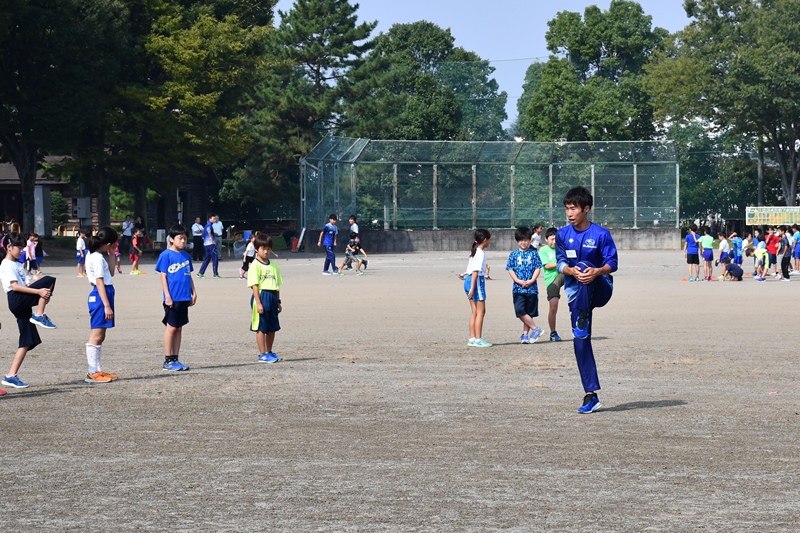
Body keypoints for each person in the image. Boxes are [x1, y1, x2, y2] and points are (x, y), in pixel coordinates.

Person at [556, 186, 618, 414]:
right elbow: (560, 262)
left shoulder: (601, 234)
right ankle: (590, 395)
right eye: (567, 209)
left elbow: (613, 263)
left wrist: (596, 271)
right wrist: (570, 272)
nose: (569, 213)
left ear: (586, 209)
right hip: (576, 292)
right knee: (580, 341)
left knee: (584, 266)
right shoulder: (562, 235)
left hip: (601, 287)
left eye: (573, 209)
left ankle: (581, 319)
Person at [0, 232, 58, 389]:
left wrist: (42, 294)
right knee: (49, 280)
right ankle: (39, 315)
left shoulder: (18, 265)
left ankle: (10, 376)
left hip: (22, 298)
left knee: (27, 340)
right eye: (19, 248)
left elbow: (25, 286)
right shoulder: (6, 264)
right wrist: (39, 293)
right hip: (16, 299)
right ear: (9, 247)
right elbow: (15, 287)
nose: (21, 251)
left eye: (22, 248)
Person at [155, 224, 196, 371]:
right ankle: (168, 360)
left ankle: (176, 358)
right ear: (171, 239)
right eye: (180, 238)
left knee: (179, 328)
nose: (183, 241)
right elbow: (163, 276)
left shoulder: (185, 255)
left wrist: (194, 291)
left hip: (184, 296)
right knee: (171, 328)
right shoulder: (166, 255)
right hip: (173, 297)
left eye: (185, 238)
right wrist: (167, 296)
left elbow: (188, 274)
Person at [84, 227, 120, 383]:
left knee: (101, 335)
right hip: (101, 295)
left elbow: (110, 273)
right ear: (109, 243)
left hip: (105, 292)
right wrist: (106, 305)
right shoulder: (96, 258)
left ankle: (97, 370)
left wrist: (112, 254)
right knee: (96, 334)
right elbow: (99, 282)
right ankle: (92, 371)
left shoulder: (98, 256)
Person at [505, 226, 544, 344]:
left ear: (530, 240)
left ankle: (525, 335)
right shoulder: (513, 254)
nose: (523, 242)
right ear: (517, 241)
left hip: (532, 289)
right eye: (521, 240)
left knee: (528, 312)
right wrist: (518, 280)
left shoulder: (534, 253)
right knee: (520, 311)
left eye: (526, 239)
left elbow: (538, 268)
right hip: (518, 288)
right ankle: (536, 329)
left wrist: (532, 280)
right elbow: (510, 269)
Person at [248, 234, 283, 363]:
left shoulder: (273, 265)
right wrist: (258, 303)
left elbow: (277, 285)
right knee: (261, 327)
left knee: (272, 326)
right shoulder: (255, 265)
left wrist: (278, 301)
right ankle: (262, 354)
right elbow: (254, 285)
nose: (266, 251)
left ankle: (269, 351)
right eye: (263, 248)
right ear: (257, 249)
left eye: (268, 248)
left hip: (272, 296)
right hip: (262, 296)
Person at [464, 229, 491, 347]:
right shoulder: (480, 252)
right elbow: (475, 271)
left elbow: (469, 269)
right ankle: (478, 339)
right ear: (485, 240)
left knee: (474, 311)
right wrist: (472, 287)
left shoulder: (474, 251)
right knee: (481, 311)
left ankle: (472, 338)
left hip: (468, 280)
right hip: (476, 281)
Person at [539, 227, 564, 341]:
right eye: (552, 239)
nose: (554, 242)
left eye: (556, 239)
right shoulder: (543, 250)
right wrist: (561, 263)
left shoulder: (562, 248)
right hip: (551, 281)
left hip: (564, 275)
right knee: (553, 308)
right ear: (546, 239)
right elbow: (547, 266)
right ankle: (553, 332)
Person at [197, 214, 220, 278]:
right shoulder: (209, 225)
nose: (215, 220)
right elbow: (209, 231)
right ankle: (215, 273)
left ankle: (200, 273)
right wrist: (212, 240)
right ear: (210, 219)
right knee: (215, 258)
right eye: (214, 218)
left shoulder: (206, 225)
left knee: (207, 259)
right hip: (210, 244)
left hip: (206, 245)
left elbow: (203, 236)